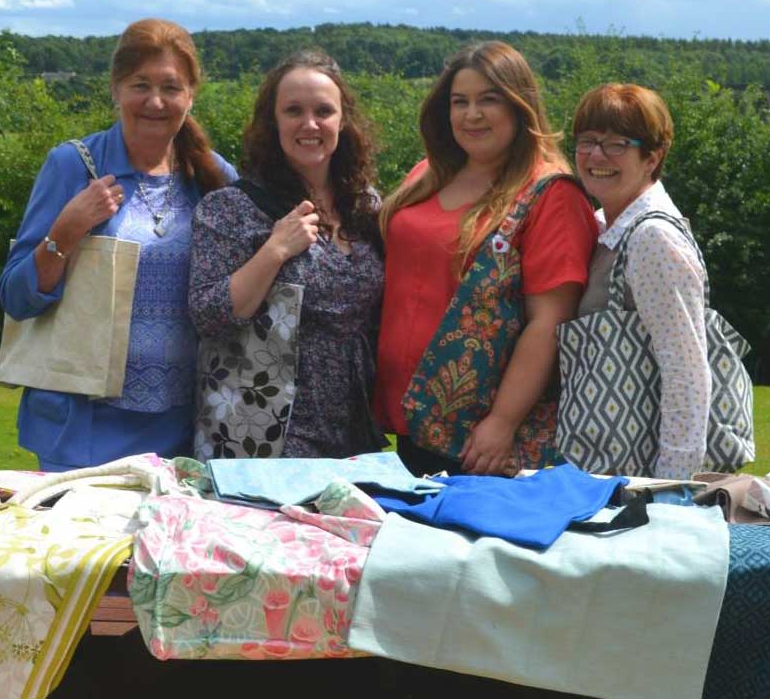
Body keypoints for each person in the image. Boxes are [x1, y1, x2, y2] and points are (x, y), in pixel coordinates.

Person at [0, 18, 236, 471]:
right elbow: (16, 296)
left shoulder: (212, 176)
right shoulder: (73, 166)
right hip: (81, 428)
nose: (155, 101)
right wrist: (66, 231)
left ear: (191, 95)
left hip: (184, 428)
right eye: (140, 84)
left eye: (171, 87)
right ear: (115, 89)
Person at [373, 41, 598, 477]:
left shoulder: (549, 194)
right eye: (460, 102)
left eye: (488, 100)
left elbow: (549, 322)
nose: (471, 115)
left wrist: (502, 422)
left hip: (477, 437)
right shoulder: (428, 173)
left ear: (520, 106)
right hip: (409, 419)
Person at [188, 49, 384, 458]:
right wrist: (274, 250)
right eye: (293, 110)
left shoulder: (367, 208)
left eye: (323, 111)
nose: (309, 123)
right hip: (266, 430)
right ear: (272, 121)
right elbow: (208, 315)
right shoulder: (231, 209)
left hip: (354, 427)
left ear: (342, 120)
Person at [570, 83, 710, 479]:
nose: (597, 155)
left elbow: (686, 369)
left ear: (652, 157)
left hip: (636, 476)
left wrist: (670, 485)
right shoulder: (604, 226)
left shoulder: (651, 237)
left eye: (617, 144)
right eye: (587, 141)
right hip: (604, 466)